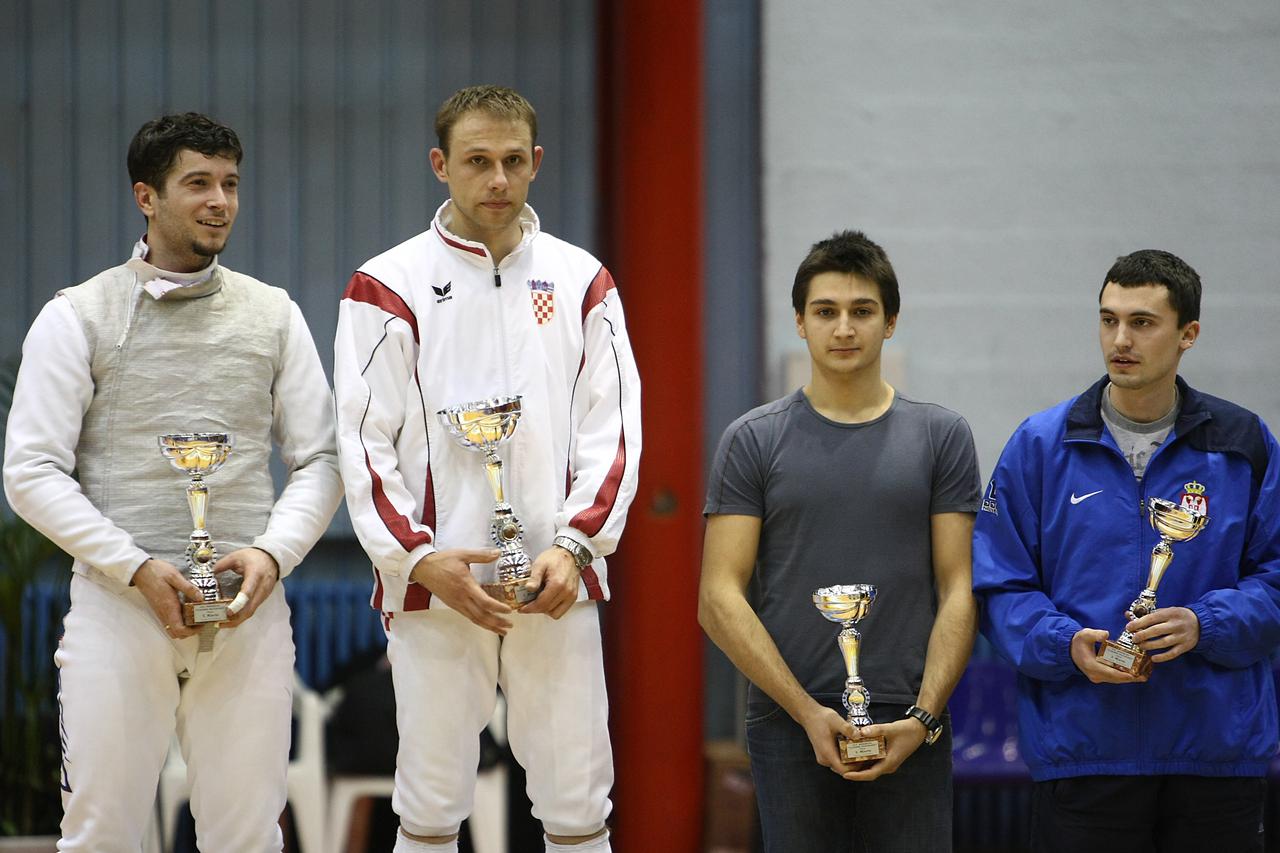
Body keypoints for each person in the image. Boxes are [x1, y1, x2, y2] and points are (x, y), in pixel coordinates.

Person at [2, 112, 343, 852]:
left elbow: (321, 458)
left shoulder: (273, 314)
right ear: (146, 197)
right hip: (119, 607)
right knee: (101, 836)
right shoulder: (77, 315)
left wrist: (271, 554)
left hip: (246, 611)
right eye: (198, 183)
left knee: (248, 837)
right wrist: (134, 565)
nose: (219, 200)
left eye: (230, 184)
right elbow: (29, 469)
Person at [333, 85, 641, 853]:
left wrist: (576, 546)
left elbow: (617, 428)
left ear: (536, 163)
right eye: (477, 162)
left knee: (578, 804)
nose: (497, 179)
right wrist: (418, 557)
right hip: (438, 583)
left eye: (512, 161)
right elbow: (362, 439)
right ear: (441, 165)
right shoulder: (386, 284)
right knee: (431, 804)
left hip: (555, 579)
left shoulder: (582, 280)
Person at [973, 249, 1280, 852]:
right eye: (1108, 320)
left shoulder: (1245, 444)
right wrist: (1062, 642)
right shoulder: (1040, 445)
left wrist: (1205, 624)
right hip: (1084, 752)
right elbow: (999, 585)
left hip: (1214, 753)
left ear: (1188, 334)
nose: (1120, 340)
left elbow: (1274, 577)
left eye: (1142, 322)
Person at [699, 230, 981, 853]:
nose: (844, 328)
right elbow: (717, 597)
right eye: (826, 312)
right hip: (789, 720)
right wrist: (804, 711)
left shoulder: (942, 436)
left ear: (891, 322)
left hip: (912, 720)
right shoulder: (753, 440)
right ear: (800, 322)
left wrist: (926, 717)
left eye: (862, 311)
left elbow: (958, 586)